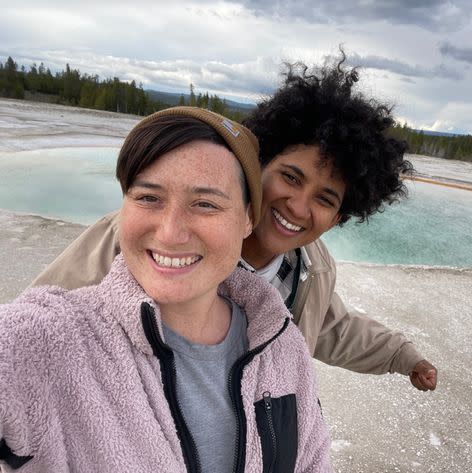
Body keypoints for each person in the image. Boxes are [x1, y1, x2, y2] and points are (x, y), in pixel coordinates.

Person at [32, 53, 438, 392]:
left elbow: (333, 328)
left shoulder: (310, 273)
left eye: (324, 199)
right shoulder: (148, 237)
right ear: (256, 165)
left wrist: (402, 356)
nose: (297, 206)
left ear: (337, 219)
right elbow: (43, 321)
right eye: (290, 177)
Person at [0, 107, 331, 472]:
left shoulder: (284, 348)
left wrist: (401, 356)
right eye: (148, 198)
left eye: (205, 204)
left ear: (248, 218)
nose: (171, 232)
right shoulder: (44, 343)